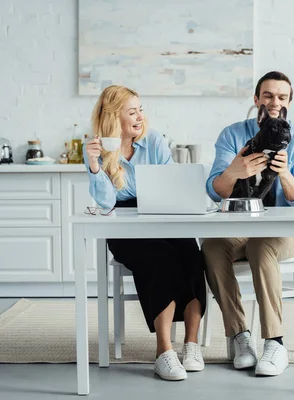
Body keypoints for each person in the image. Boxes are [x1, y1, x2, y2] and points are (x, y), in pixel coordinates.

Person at [202, 71, 294, 376]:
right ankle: (240, 336)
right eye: (268, 95)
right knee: (212, 247)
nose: (274, 101)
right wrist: (233, 172)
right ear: (257, 100)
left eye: (281, 97)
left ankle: (275, 342)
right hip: (238, 228)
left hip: (283, 233)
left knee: (261, 245)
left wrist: (285, 174)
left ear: (288, 104)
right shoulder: (232, 135)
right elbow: (214, 189)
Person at [83, 85, 206, 381]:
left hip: (163, 213)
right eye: (132, 111)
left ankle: (191, 345)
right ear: (114, 117)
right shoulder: (100, 148)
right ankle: (164, 351)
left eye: (141, 109)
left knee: (192, 254)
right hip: (124, 224)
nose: (140, 116)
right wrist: (94, 166)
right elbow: (107, 203)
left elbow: (171, 180)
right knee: (160, 257)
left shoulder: (153, 141)